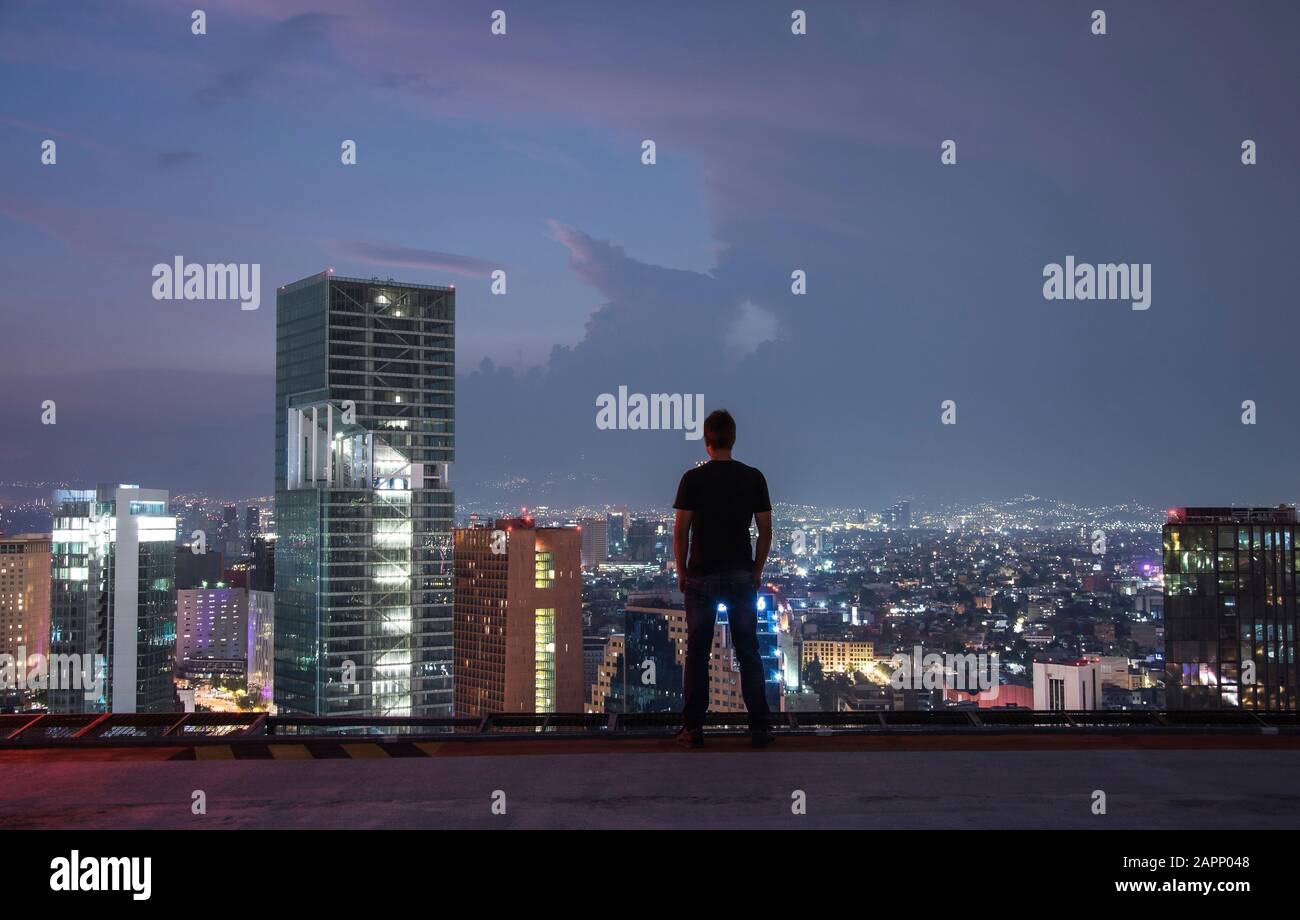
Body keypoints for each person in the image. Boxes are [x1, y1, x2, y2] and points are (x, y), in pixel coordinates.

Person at [672, 408, 774, 749]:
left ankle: (693, 728)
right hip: (740, 575)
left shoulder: (692, 479)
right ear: (733, 439)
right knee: (748, 651)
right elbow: (765, 531)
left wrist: (682, 571)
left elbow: (680, 532)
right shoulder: (753, 477)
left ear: (707, 442)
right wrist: (756, 571)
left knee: (697, 653)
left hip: (701, 576)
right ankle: (760, 727)